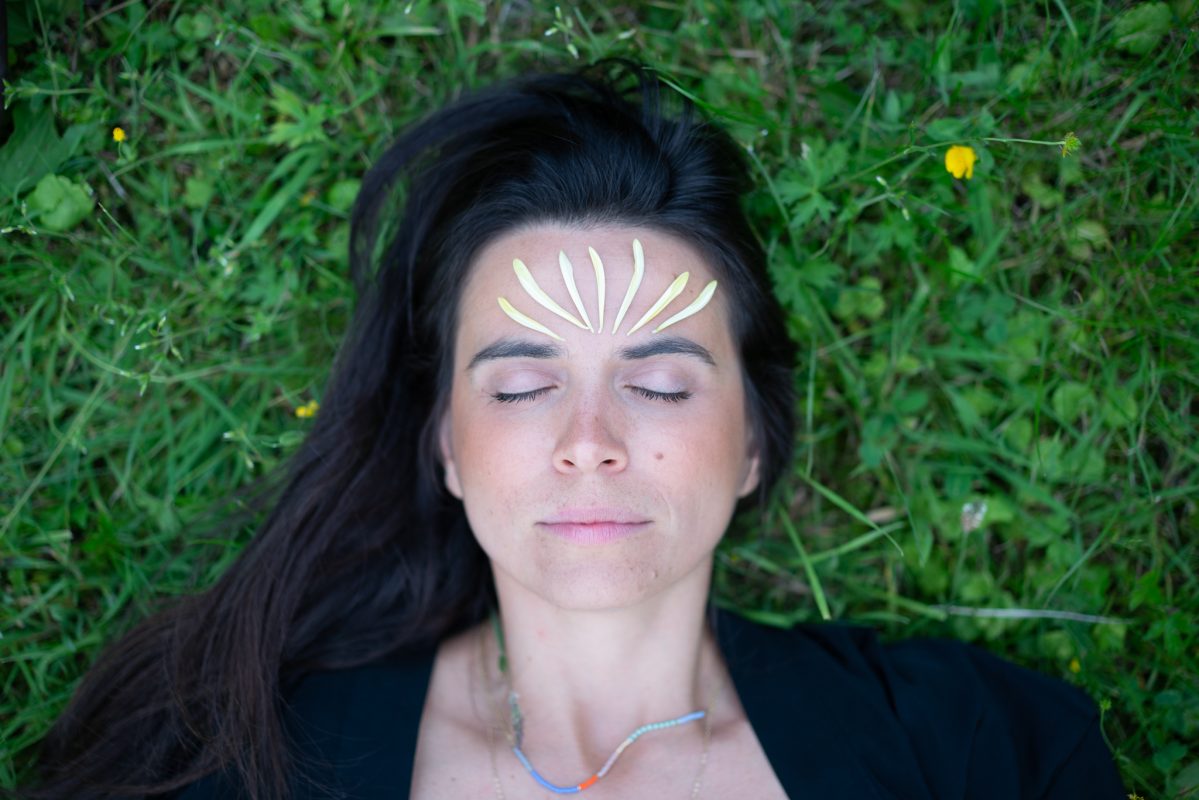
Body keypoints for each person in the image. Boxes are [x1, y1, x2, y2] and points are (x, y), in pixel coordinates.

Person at [26, 60, 1125, 800]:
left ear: (752, 440)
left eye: (659, 384)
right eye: (518, 387)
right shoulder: (238, 762)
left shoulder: (982, 752)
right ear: (445, 445)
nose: (587, 439)